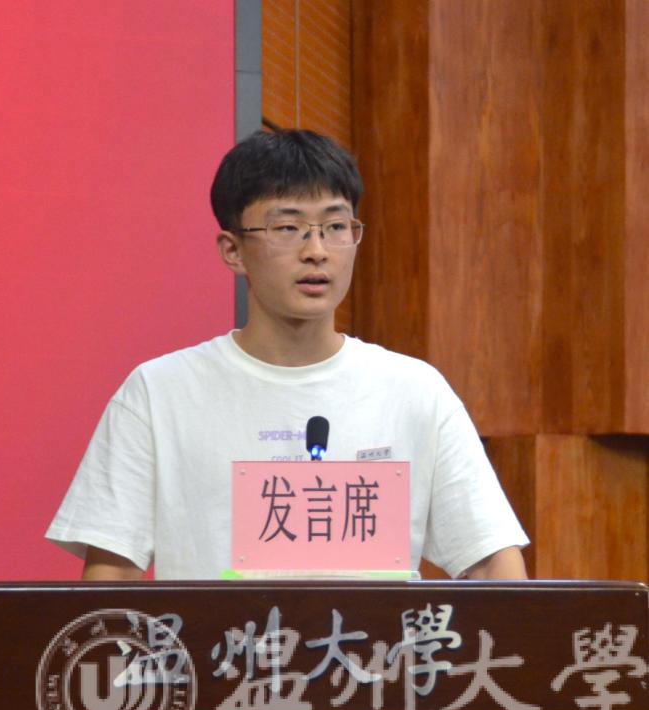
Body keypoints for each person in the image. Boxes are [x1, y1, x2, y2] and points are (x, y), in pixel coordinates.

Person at [45, 129, 528, 581]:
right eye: (288, 227)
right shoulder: (159, 394)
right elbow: (112, 581)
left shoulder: (415, 391)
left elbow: (493, 565)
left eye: (335, 226)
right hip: (222, 649)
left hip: (373, 649)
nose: (316, 250)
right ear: (233, 250)